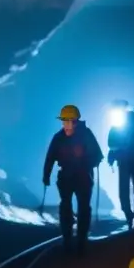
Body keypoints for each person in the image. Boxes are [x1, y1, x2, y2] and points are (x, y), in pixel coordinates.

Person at [43, 105, 103, 255]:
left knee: (83, 208)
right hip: (67, 178)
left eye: (71, 121)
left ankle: (81, 240)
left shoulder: (86, 135)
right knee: (65, 207)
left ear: (76, 121)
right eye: (65, 121)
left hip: (83, 177)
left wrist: (86, 165)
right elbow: (50, 157)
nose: (67, 125)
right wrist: (46, 175)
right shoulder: (58, 137)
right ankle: (67, 239)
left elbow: (98, 156)